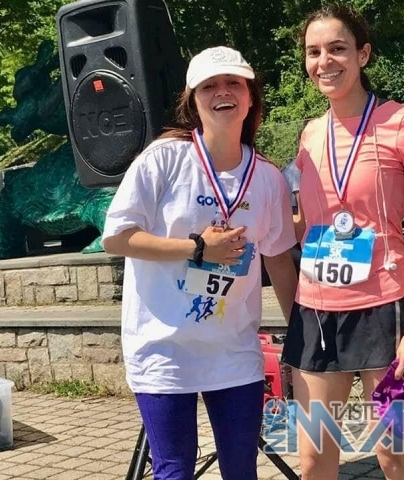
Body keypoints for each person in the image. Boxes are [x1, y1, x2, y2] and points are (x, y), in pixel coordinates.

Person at [101, 46, 298, 480]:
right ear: (193, 100)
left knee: (241, 470)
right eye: (209, 86)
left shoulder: (267, 178)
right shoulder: (164, 159)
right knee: (174, 470)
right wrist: (196, 249)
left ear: (250, 96)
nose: (222, 92)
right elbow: (116, 237)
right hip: (163, 350)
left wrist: (300, 339)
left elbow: (280, 262)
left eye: (233, 83)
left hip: (233, 351)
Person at [280, 5, 404, 480]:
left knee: (394, 456)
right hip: (317, 309)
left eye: (337, 48)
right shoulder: (310, 134)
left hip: (385, 307)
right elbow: (306, 226)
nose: (324, 61)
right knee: (314, 459)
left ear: (363, 54)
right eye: (313, 52)